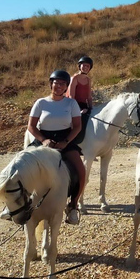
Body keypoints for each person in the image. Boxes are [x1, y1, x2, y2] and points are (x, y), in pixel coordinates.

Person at [27, 70, 86, 224]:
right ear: (51, 84)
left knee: (81, 171)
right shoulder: (41, 103)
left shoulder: (71, 103)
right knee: (20, 165)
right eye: (56, 83)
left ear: (66, 86)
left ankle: (73, 206)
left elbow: (77, 127)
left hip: (65, 139)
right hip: (43, 139)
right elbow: (31, 127)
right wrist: (43, 140)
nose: (59, 86)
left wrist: (65, 142)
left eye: (62, 84)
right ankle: (14, 204)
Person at [68, 55, 93, 145]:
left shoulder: (88, 80)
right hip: (72, 104)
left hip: (84, 106)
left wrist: (91, 108)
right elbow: (71, 96)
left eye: (88, 66)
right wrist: (77, 110)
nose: (86, 67)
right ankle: (74, 144)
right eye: (84, 65)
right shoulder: (74, 78)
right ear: (79, 66)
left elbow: (89, 97)